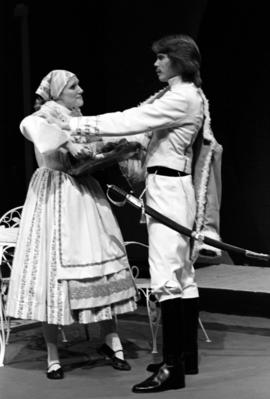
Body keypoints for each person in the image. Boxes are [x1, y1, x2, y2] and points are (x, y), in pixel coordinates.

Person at [61, 34, 222, 393]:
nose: (156, 63)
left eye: (163, 57)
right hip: (171, 187)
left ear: (180, 61)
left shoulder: (181, 97)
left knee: (167, 277)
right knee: (183, 277)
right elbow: (143, 132)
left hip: (168, 189)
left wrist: (71, 124)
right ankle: (184, 359)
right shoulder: (183, 96)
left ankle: (171, 369)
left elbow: (130, 119)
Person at [6, 70, 138, 380]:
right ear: (56, 93)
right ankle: (53, 353)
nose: (80, 90)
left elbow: (103, 143)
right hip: (54, 197)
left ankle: (111, 340)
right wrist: (68, 140)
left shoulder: (80, 119)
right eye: (73, 86)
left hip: (84, 197)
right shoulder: (44, 116)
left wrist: (117, 149)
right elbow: (31, 127)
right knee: (51, 272)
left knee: (100, 267)